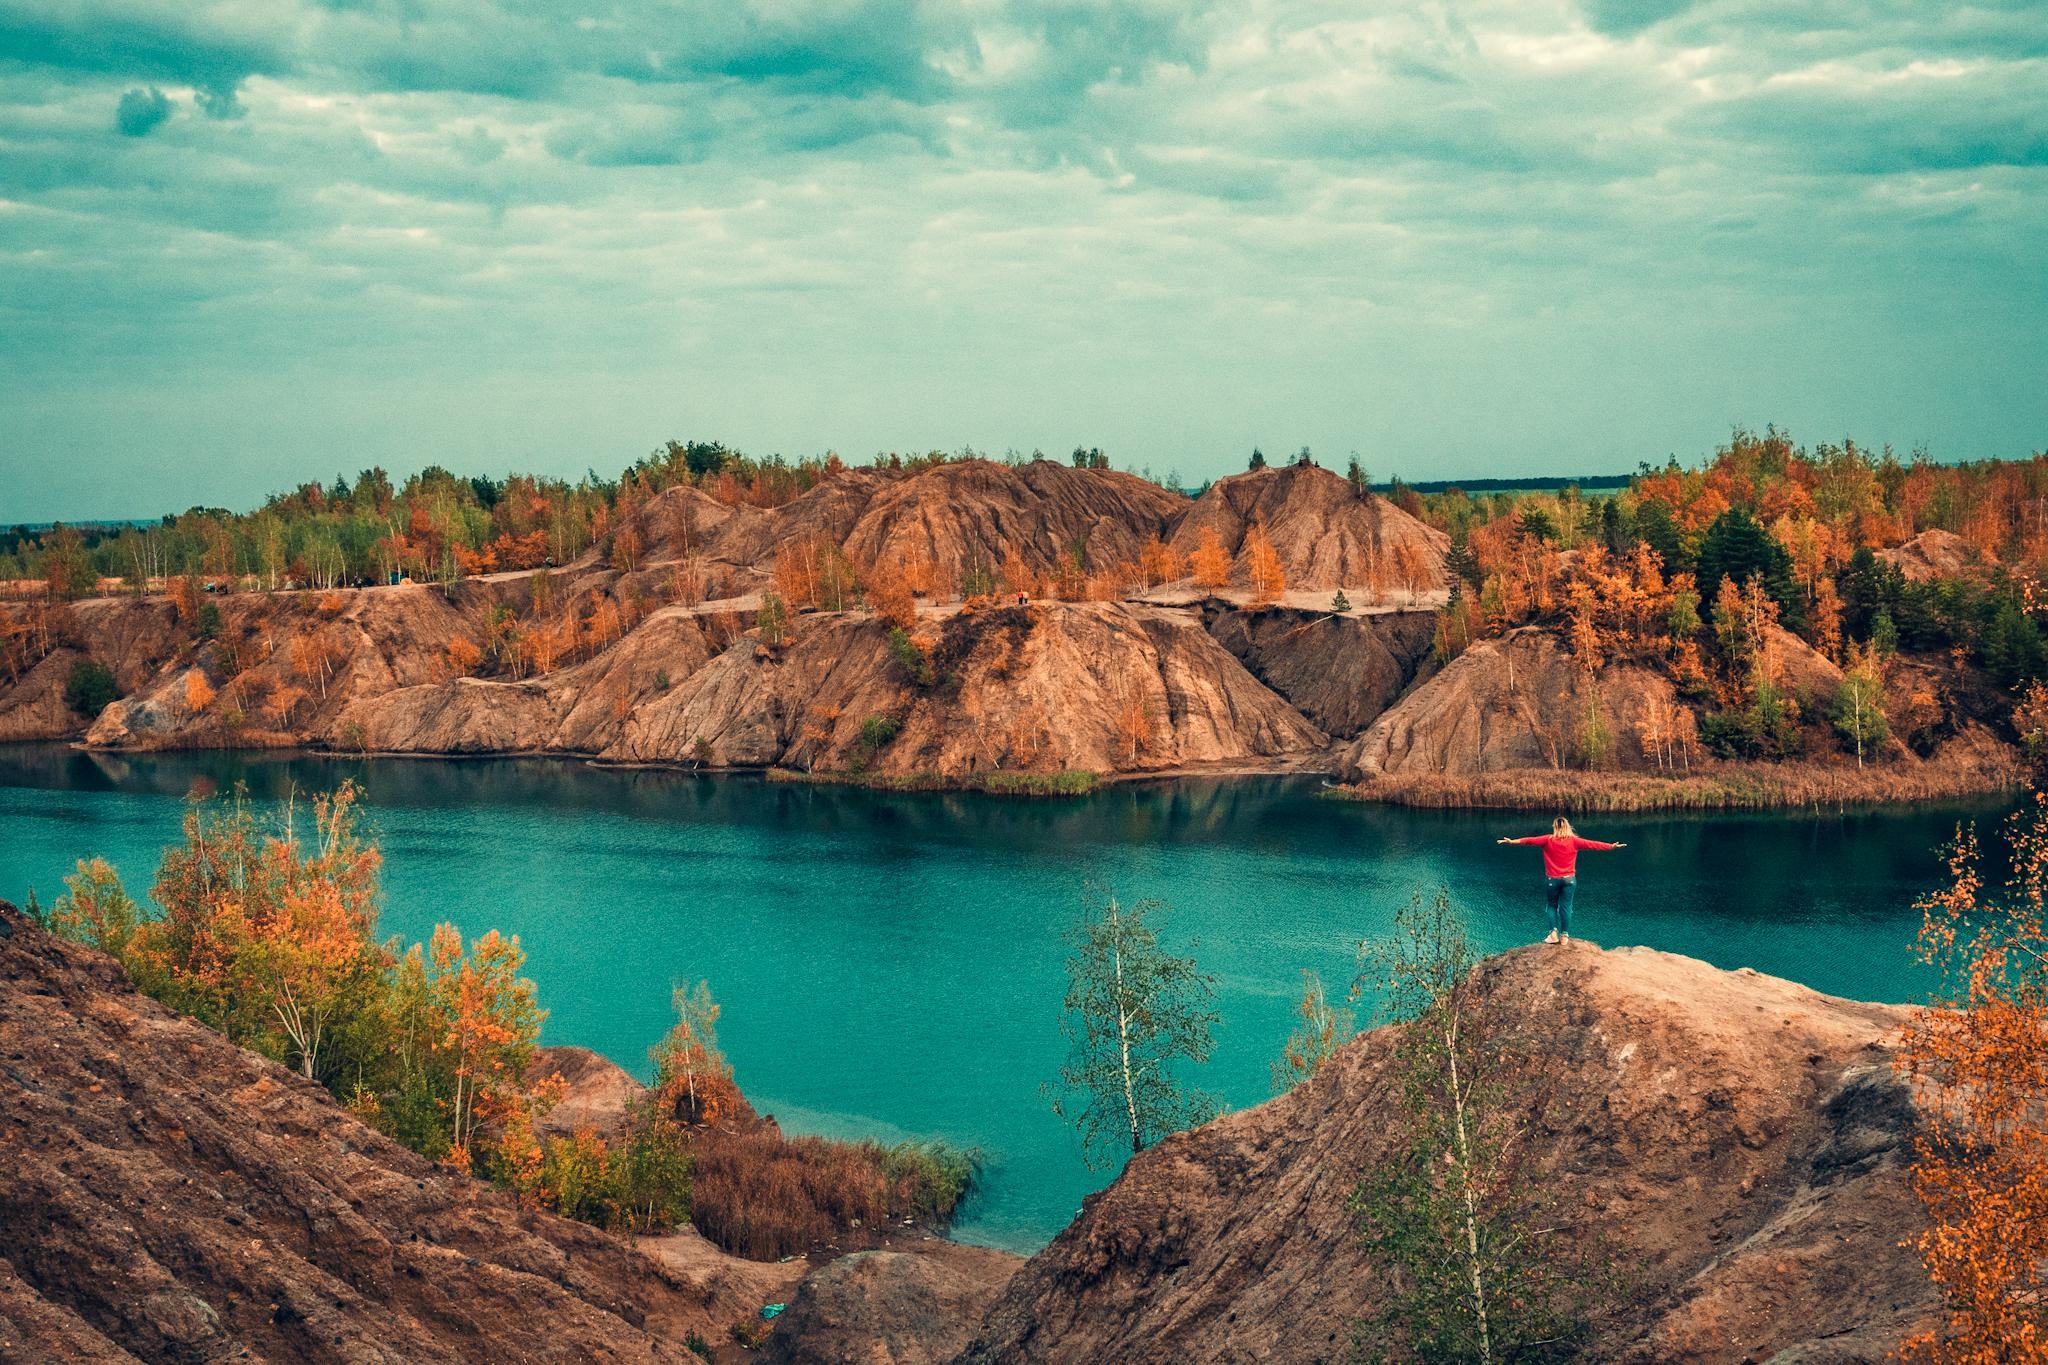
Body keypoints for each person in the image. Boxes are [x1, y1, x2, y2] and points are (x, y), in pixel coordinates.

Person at [1497, 817, 1625, 945]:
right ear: (1567, 827)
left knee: (1552, 905)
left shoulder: (1547, 840)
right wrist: (1611, 846)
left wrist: (1512, 841)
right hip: (1569, 880)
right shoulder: (1574, 841)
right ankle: (1564, 936)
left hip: (1552, 880)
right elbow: (1593, 844)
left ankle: (1553, 933)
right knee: (1566, 907)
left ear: (1555, 827)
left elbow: (1529, 840)